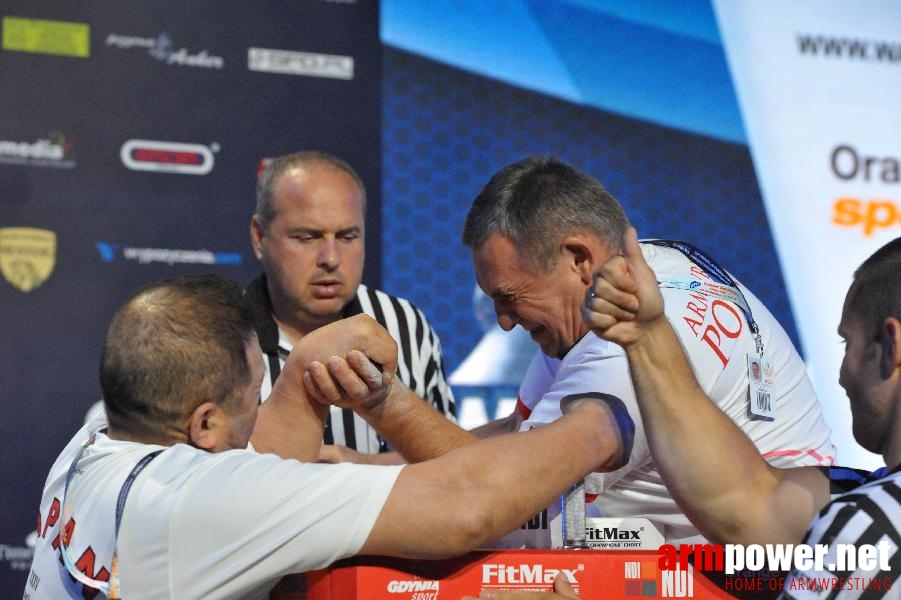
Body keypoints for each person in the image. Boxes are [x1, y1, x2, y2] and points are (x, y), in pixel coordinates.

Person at [25, 273, 629, 599]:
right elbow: (465, 505)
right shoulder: (194, 502)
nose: (259, 410)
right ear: (205, 425)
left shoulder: (91, 446)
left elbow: (253, 466)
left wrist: (301, 385)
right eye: (253, 397)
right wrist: (601, 421)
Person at [462, 156, 834, 546]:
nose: (503, 321)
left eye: (510, 297)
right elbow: (512, 437)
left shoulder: (618, 347)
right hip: (790, 544)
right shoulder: (654, 261)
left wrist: (393, 404)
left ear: (579, 259)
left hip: (768, 572)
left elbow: (488, 497)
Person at [582, 229, 901, 592]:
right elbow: (747, 503)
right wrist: (646, 336)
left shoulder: (872, 529)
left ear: (892, 346)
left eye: (849, 343)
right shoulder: (865, 507)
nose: (843, 376)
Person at [248, 150, 454, 463]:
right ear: (259, 237)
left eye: (347, 236)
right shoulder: (222, 340)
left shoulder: (405, 323)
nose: (330, 258)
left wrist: (362, 469)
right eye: (307, 237)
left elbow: (449, 461)